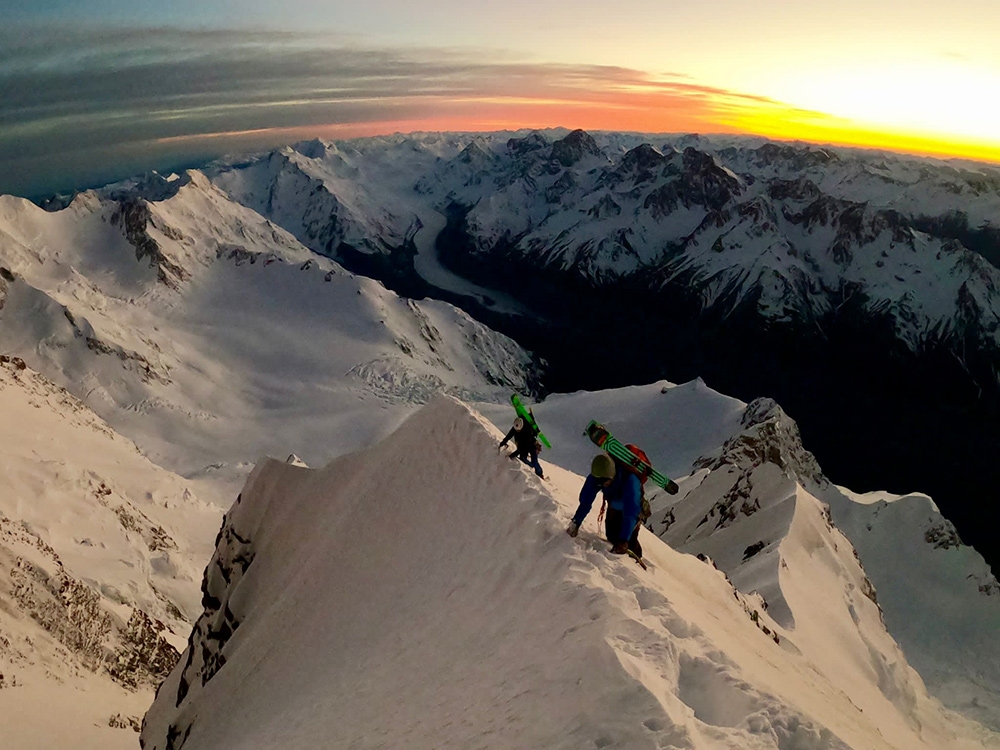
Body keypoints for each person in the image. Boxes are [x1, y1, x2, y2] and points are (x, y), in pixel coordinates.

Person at [567, 453, 643, 558]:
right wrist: (576, 522)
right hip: (614, 506)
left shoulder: (630, 480)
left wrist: (624, 540)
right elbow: (586, 501)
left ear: (612, 475)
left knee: (630, 541)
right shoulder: (596, 478)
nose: (602, 485)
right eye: (599, 482)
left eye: (604, 481)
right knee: (611, 536)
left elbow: (631, 511)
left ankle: (636, 561)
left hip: (632, 508)